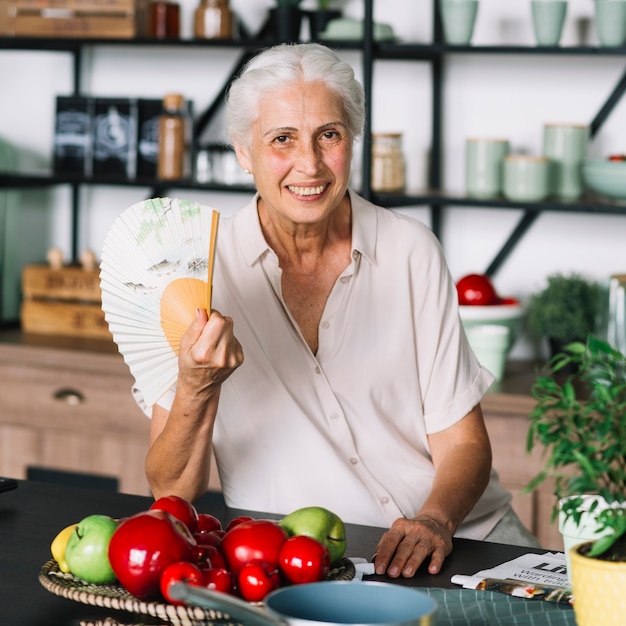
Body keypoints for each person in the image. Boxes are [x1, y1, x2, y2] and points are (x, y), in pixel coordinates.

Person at [139, 42, 539, 579]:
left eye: (328, 135)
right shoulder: (194, 274)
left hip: (466, 541)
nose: (309, 164)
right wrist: (195, 386)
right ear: (242, 151)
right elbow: (172, 492)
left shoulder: (409, 250)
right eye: (282, 139)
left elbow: (464, 441)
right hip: (310, 565)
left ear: (351, 140)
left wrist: (435, 519)